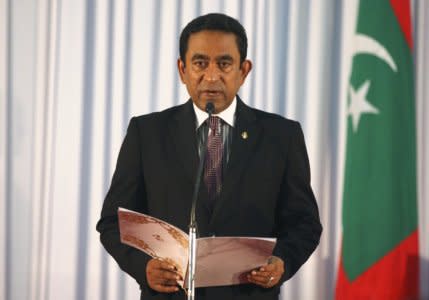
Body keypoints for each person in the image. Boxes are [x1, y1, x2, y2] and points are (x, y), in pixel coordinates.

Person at [96, 13, 322, 300]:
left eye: (224, 64)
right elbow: (113, 222)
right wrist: (144, 267)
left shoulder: (282, 136)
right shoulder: (147, 133)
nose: (212, 76)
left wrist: (282, 262)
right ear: (182, 69)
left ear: (244, 70)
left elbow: (304, 223)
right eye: (200, 63)